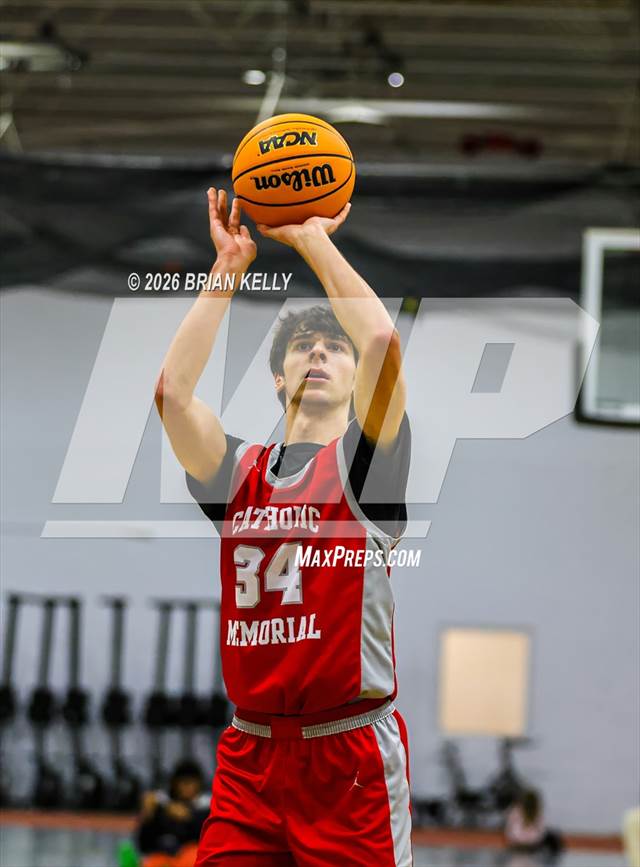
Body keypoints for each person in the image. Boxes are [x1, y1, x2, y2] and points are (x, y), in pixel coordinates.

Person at [155, 187, 412, 866]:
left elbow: (382, 339)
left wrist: (310, 236)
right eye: (304, 346)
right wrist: (229, 268)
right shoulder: (237, 473)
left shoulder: (365, 468)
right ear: (278, 377)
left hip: (348, 753)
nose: (321, 353)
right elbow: (171, 397)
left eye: (334, 345)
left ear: (353, 376)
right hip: (251, 753)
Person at [136, 759, 210, 867]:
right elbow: (144, 845)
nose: (187, 786)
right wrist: (148, 816)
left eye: (191, 782)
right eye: (183, 782)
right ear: (175, 783)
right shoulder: (162, 803)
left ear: (199, 784)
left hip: (191, 856)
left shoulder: (207, 805)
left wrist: (189, 817)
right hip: (162, 857)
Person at [505, 789, 564, 863]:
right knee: (553, 835)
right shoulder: (539, 813)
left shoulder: (515, 810)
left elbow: (509, 830)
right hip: (533, 845)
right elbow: (542, 832)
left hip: (516, 844)